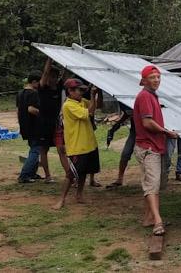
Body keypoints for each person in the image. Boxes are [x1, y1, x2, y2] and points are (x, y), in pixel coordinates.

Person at [133, 65, 179, 236]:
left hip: (154, 146)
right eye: (152, 77)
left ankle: (149, 218)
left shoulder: (152, 95)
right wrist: (166, 132)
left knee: (154, 185)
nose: (157, 80)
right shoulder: (145, 96)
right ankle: (158, 222)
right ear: (144, 80)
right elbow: (147, 123)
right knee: (151, 186)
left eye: (158, 77)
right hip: (148, 148)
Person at [53, 79, 100, 209]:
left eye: (83, 90)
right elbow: (88, 112)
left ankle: (79, 195)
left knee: (84, 172)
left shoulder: (81, 102)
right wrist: (92, 95)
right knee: (71, 174)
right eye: (80, 90)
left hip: (89, 144)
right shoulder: (69, 105)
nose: (82, 93)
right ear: (70, 91)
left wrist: (98, 93)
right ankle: (61, 199)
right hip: (77, 146)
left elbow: (97, 106)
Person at [37, 58, 63, 182]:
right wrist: (49, 58)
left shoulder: (58, 87)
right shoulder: (42, 88)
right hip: (44, 123)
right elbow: (45, 72)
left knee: (62, 148)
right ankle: (48, 176)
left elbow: (66, 72)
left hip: (56, 122)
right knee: (44, 149)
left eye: (55, 77)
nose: (52, 79)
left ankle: (69, 174)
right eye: (51, 76)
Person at [16, 71, 42, 183]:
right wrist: (43, 114)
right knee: (36, 150)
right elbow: (31, 109)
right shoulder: (33, 93)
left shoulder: (20, 93)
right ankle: (25, 175)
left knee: (34, 148)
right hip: (34, 126)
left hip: (25, 125)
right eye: (40, 82)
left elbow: (18, 111)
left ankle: (32, 173)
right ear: (35, 82)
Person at [107, 103, 134, 189]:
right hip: (135, 132)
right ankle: (120, 178)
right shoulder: (123, 102)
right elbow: (127, 114)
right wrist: (114, 128)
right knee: (125, 154)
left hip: (146, 131)